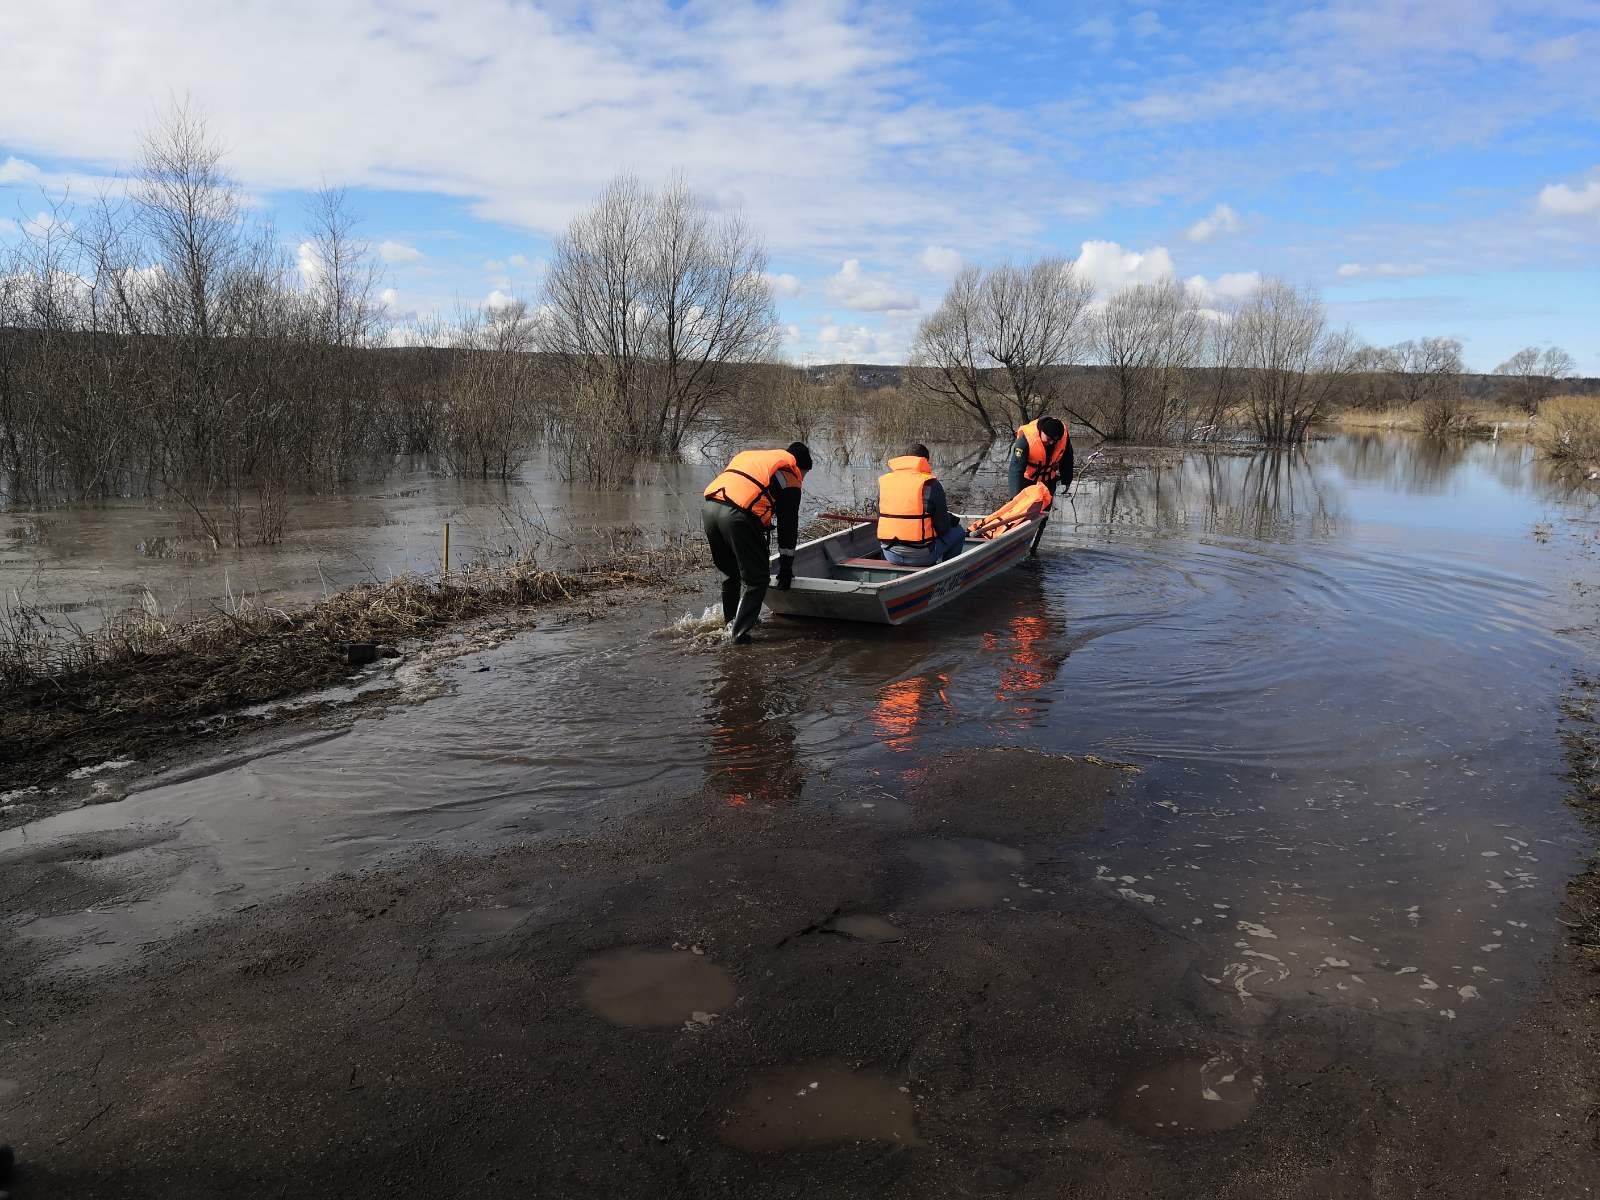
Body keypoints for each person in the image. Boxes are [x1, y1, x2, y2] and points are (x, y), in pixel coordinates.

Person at [703, 441, 811, 644]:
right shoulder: (790, 477)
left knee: (731, 574)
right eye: (805, 474)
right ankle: (739, 636)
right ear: (800, 467)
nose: (803, 479)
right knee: (758, 579)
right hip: (736, 516)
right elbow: (788, 527)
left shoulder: (758, 461)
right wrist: (786, 567)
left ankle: (730, 623)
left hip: (710, 509)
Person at [876, 444, 967, 566]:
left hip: (890, 554)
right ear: (925, 461)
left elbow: (881, 517)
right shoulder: (930, 484)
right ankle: (946, 572)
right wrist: (950, 520)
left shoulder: (885, 482)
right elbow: (943, 528)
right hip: (922, 556)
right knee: (959, 532)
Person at [1007, 416, 1073, 497]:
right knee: (1025, 507)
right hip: (1027, 481)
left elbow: (1067, 460)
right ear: (1041, 431)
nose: (1051, 442)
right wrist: (1015, 496)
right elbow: (1015, 470)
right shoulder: (1025, 441)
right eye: (1048, 439)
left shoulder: (1062, 437)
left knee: (1045, 507)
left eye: (1054, 441)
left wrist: (1066, 481)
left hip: (1048, 481)